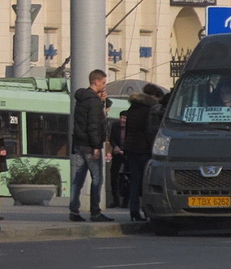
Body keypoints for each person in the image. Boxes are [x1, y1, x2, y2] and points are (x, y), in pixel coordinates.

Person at [68, 68, 114, 223]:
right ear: (96, 81)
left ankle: (74, 210)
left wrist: (101, 102)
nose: (104, 86)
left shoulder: (82, 99)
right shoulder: (93, 103)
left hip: (79, 144)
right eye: (103, 82)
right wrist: (96, 146)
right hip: (90, 146)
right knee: (97, 179)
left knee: (78, 179)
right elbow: (94, 125)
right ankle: (95, 212)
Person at [122, 90, 161, 221]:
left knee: (134, 181)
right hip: (144, 149)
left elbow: (127, 131)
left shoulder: (131, 110)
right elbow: (148, 131)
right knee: (146, 182)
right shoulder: (148, 111)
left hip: (131, 149)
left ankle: (134, 210)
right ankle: (146, 210)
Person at [108, 111, 128, 208]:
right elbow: (111, 138)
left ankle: (126, 201)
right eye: (121, 117)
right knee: (114, 175)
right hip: (117, 153)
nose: (122, 120)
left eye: (124, 118)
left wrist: (126, 150)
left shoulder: (130, 128)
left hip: (127, 154)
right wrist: (115, 146)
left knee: (128, 176)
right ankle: (115, 200)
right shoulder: (115, 125)